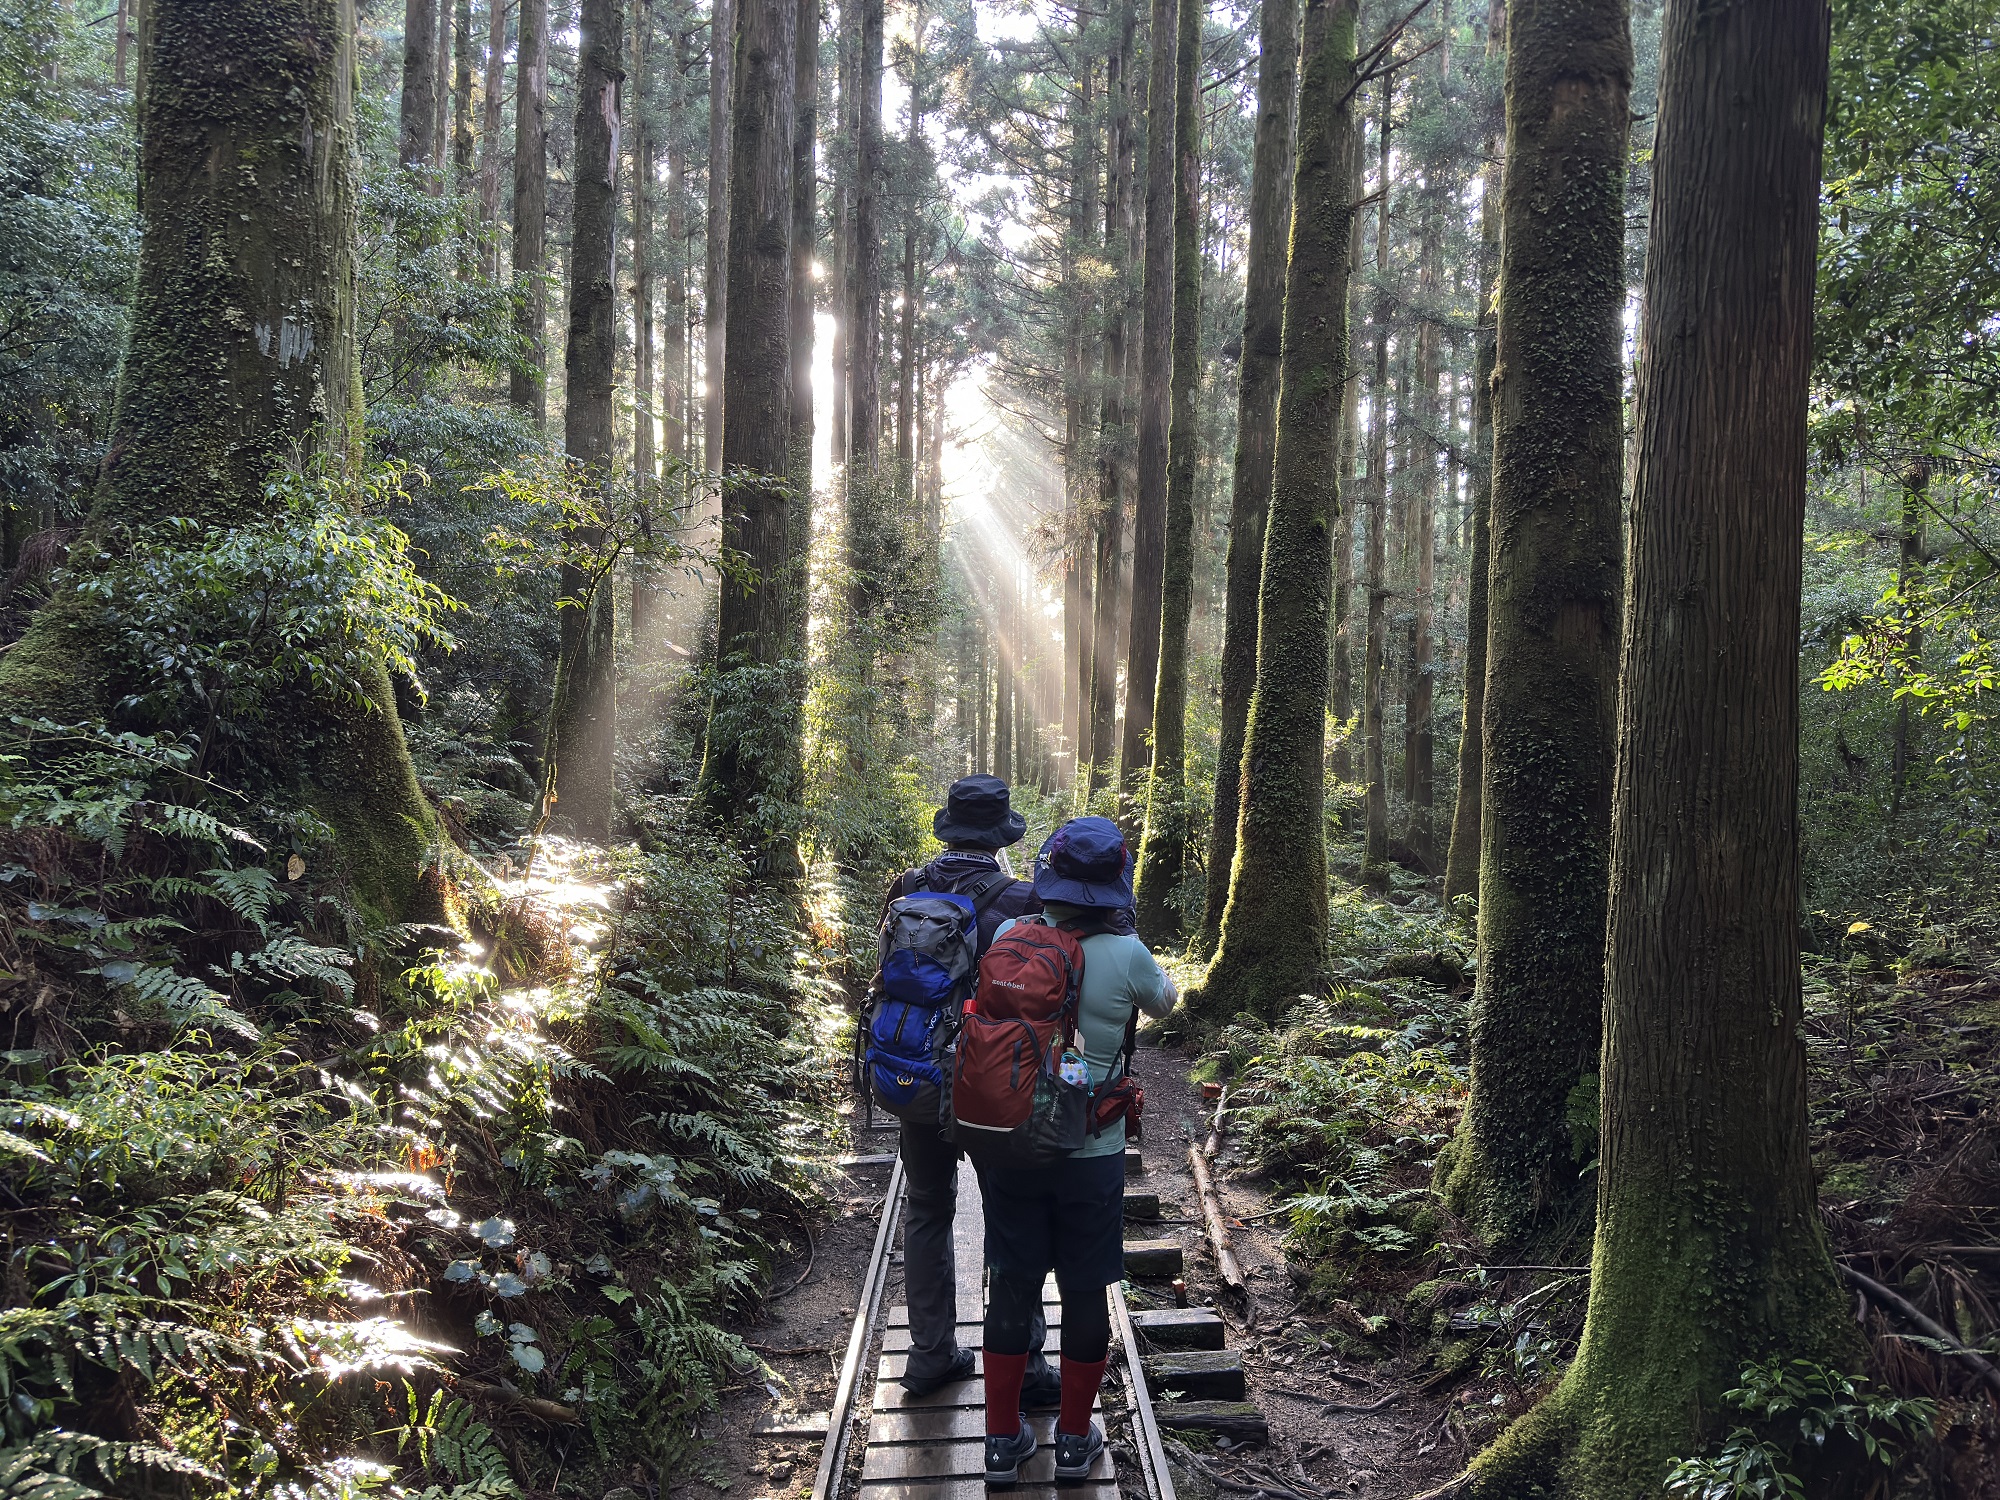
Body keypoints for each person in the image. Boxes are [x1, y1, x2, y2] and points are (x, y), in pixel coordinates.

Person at [980, 816, 1178, 1486]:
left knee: (1011, 1284)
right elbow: (1168, 1004)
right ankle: (1071, 1439)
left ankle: (1002, 1441)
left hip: (1013, 1144)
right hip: (1091, 1147)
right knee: (1087, 1289)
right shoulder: (1127, 955)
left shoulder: (1011, 936)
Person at [867, 775, 1058, 1405]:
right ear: (1002, 837)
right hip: (992, 1087)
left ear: (948, 828)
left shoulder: (908, 889)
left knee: (925, 1206)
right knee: (1013, 1213)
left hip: (916, 1074)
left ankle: (929, 1356)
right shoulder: (1022, 901)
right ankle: (1026, 1362)